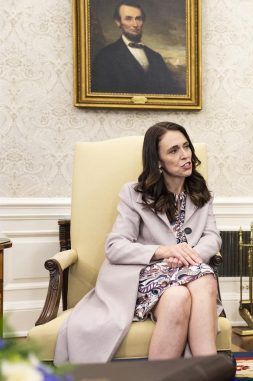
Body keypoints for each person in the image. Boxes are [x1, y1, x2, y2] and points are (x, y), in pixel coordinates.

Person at [55, 122, 222, 363]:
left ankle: (195, 369)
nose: (185, 155)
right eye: (173, 150)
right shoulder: (134, 194)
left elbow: (212, 236)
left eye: (186, 146)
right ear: (158, 161)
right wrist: (164, 251)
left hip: (187, 271)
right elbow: (115, 247)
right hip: (142, 277)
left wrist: (188, 254)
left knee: (181, 295)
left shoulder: (200, 191)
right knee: (203, 279)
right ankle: (209, 366)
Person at [91, 2, 183, 94]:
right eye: (128, 19)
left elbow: (171, 91)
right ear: (118, 22)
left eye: (138, 19)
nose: (135, 24)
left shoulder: (156, 57)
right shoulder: (104, 56)